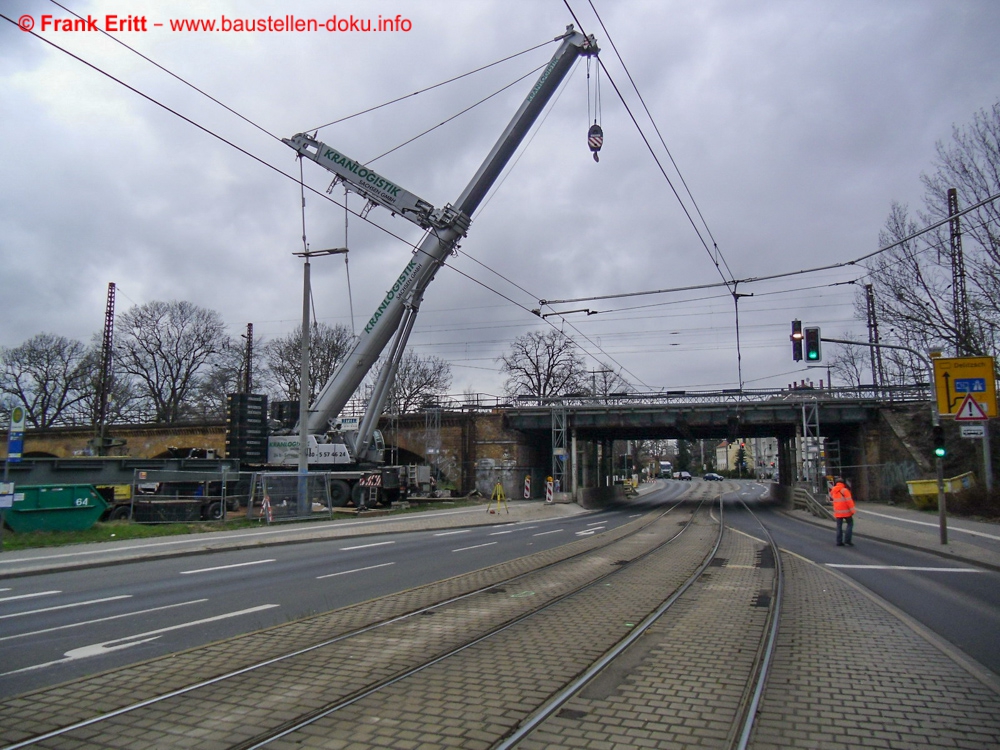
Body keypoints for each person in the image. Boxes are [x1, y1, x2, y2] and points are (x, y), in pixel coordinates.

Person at [830, 476, 855, 546]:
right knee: (850, 524)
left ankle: (839, 541)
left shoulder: (833, 491)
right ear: (843, 483)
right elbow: (849, 502)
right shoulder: (845, 491)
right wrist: (852, 511)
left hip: (838, 512)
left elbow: (834, 500)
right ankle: (847, 540)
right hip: (846, 512)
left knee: (839, 527)